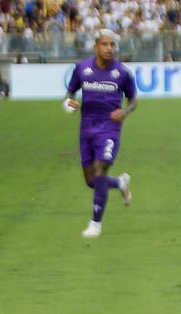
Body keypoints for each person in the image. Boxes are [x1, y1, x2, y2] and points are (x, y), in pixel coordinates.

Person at [63, 29, 135, 238]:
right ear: (96, 46)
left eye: (112, 45)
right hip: (86, 128)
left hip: (109, 129)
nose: (109, 48)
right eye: (105, 44)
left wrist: (125, 111)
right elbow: (69, 94)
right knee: (91, 180)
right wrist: (69, 103)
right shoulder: (82, 68)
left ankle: (95, 224)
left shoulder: (121, 73)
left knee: (100, 169)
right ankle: (120, 183)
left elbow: (133, 99)